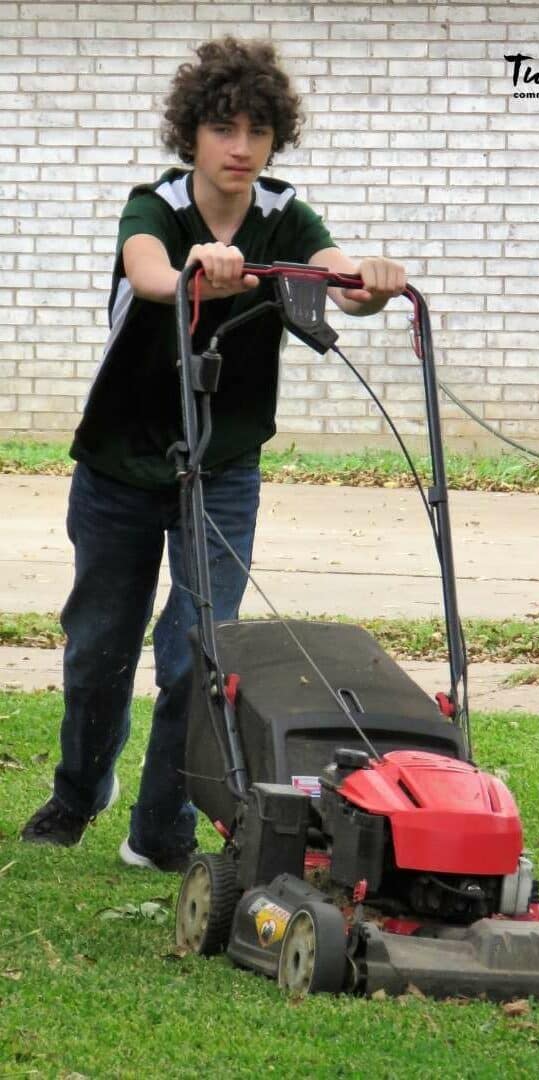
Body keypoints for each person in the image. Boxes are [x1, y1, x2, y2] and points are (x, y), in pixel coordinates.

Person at [20, 38, 406, 871]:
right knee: (99, 645)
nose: (240, 146)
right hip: (121, 464)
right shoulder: (155, 206)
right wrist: (199, 267)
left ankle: (161, 832)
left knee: (199, 647)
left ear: (275, 139)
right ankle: (80, 790)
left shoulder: (284, 213)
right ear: (192, 133)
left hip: (221, 466)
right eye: (223, 127)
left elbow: (333, 274)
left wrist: (367, 281)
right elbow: (150, 272)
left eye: (257, 129)